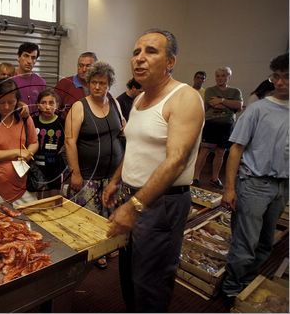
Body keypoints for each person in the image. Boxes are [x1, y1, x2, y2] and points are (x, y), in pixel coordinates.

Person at [102, 29, 204, 312]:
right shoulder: (139, 100)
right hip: (134, 196)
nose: (140, 59)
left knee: (151, 282)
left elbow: (176, 161)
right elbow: (134, 148)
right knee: (129, 275)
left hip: (162, 203)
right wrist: (114, 181)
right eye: (136, 52)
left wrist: (134, 207)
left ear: (170, 61)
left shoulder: (184, 98)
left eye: (151, 51)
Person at [220, 53, 289, 310]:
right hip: (255, 183)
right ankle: (232, 290)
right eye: (277, 77)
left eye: (286, 77)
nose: (280, 82)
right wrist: (229, 189)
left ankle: (249, 283)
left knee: (266, 241)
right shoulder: (259, 109)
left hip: (283, 186)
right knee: (245, 242)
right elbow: (236, 150)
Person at [65, 61, 125, 269]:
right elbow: (70, 141)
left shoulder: (115, 103)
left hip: (113, 175)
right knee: (90, 218)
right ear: (88, 83)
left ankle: (108, 245)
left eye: (103, 83)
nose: (98, 87)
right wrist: (75, 173)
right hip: (88, 175)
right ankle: (97, 250)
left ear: (109, 85)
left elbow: (123, 128)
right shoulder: (79, 107)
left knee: (110, 213)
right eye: (94, 82)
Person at [0, 78, 39, 204]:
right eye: (1, 102)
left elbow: (34, 142)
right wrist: (17, 152)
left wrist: (28, 154)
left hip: (22, 186)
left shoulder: (24, 118)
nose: (6, 107)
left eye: (11, 102)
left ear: (17, 101)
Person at [192, 66, 243, 189]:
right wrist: (229, 106)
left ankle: (215, 178)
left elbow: (239, 106)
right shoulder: (210, 90)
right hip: (211, 124)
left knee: (221, 152)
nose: (220, 78)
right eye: (218, 76)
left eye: (223, 76)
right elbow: (211, 104)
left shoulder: (236, 91)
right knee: (205, 151)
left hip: (227, 125)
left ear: (228, 77)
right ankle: (195, 177)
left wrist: (221, 101)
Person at [32, 89, 66, 198]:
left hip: (55, 168)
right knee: (38, 200)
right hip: (36, 168)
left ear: (57, 105)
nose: (47, 107)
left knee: (53, 200)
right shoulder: (32, 121)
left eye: (51, 103)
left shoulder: (62, 123)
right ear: (38, 105)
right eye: (43, 103)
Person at [55, 52, 98, 119]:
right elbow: (54, 110)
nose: (84, 69)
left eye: (88, 66)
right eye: (80, 65)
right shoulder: (64, 83)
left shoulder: (99, 87)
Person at [13, 42, 47, 114]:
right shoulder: (9, 79)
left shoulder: (41, 82)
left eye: (33, 58)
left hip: (34, 123)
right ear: (18, 57)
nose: (29, 61)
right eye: (26, 56)